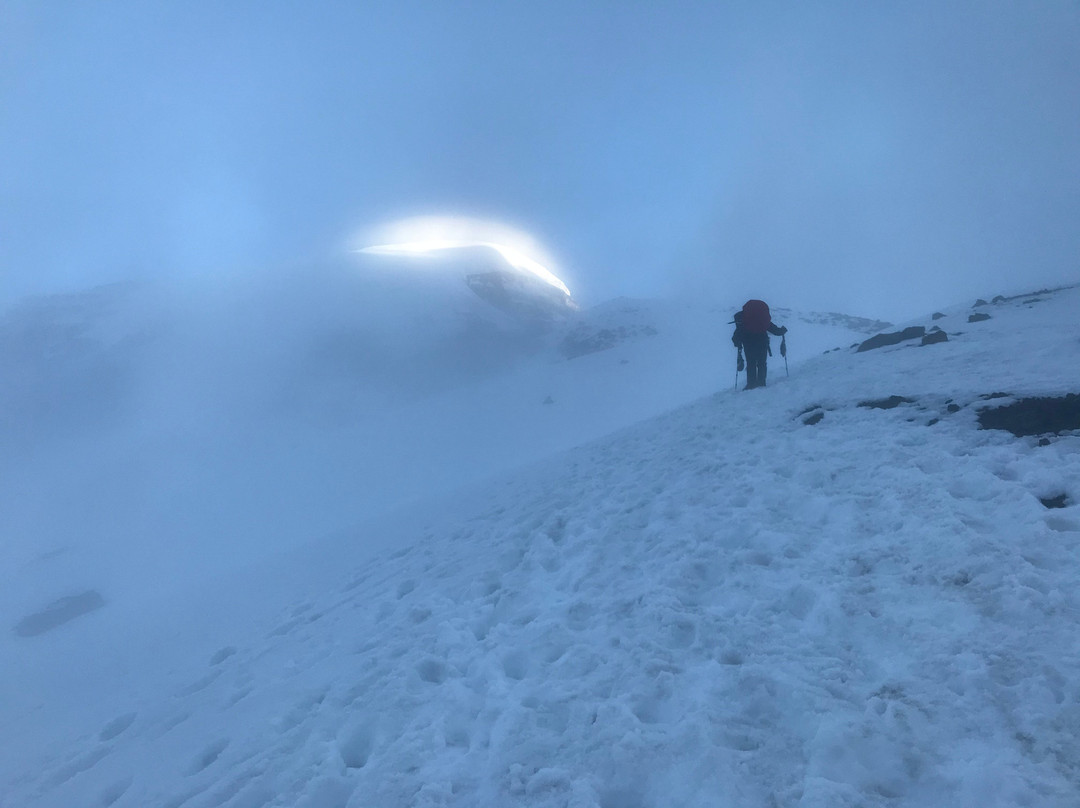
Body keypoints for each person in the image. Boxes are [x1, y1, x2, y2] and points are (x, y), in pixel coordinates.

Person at [731, 300, 787, 390]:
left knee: (751, 363)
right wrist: (782, 331)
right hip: (762, 341)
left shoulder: (744, 319)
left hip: (748, 343)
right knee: (762, 363)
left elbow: (738, 333)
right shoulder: (762, 319)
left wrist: (737, 342)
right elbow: (774, 330)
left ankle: (751, 384)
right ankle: (761, 382)